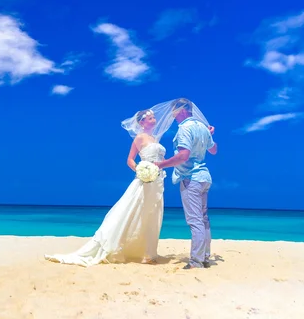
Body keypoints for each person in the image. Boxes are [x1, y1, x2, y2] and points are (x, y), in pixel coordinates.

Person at [44, 105, 169, 267]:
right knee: (132, 212)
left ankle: (148, 253)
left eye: (154, 117)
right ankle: (117, 246)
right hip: (145, 181)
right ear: (142, 122)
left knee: (152, 214)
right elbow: (130, 159)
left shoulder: (155, 139)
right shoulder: (140, 138)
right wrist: (140, 170)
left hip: (158, 182)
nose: (154, 119)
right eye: (150, 117)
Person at [156, 98, 217, 270]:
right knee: (204, 219)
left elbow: (183, 155)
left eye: (174, 111)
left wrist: (161, 164)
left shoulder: (184, 128)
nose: (173, 115)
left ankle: (196, 262)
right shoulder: (203, 128)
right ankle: (204, 256)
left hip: (191, 178)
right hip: (205, 177)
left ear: (182, 110)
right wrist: (209, 134)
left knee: (195, 221)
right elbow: (213, 150)